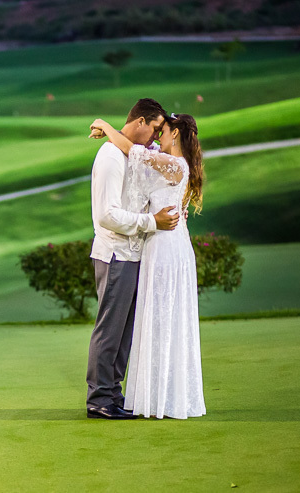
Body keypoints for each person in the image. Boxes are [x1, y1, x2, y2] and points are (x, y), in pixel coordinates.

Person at [89, 112, 206, 419]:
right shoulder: (162, 159)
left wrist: (105, 126)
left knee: (153, 323)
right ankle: (105, 397)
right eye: (155, 129)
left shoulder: (172, 163)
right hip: (140, 249)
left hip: (163, 249)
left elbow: (135, 150)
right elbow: (137, 151)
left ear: (175, 133)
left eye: (162, 131)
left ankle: (138, 395)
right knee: (129, 326)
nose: (157, 137)